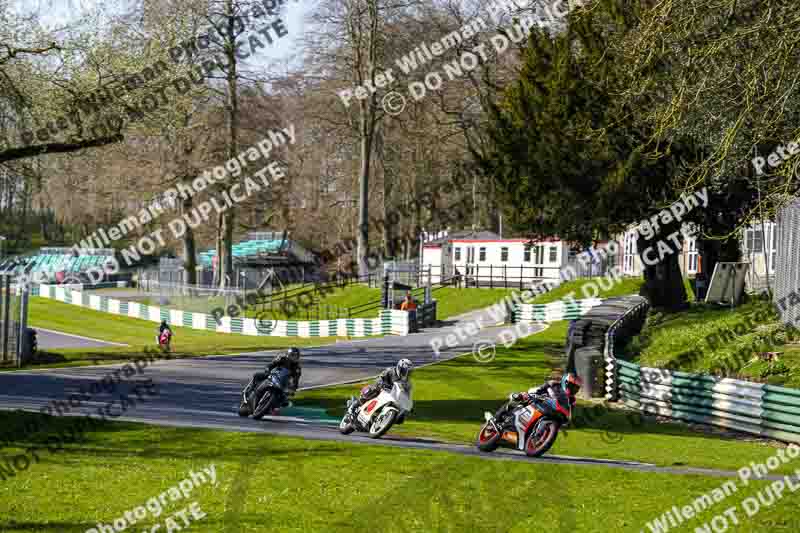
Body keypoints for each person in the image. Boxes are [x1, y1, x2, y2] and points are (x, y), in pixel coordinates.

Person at [494, 373, 583, 422]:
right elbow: (539, 389)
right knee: (522, 396)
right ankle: (497, 417)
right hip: (538, 400)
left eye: (575, 388)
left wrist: (566, 419)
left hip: (550, 411)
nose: (573, 389)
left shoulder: (572, 400)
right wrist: (532, 394)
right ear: (565, 382)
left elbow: (569, 414)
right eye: (571, 386)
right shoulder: (554, 384)